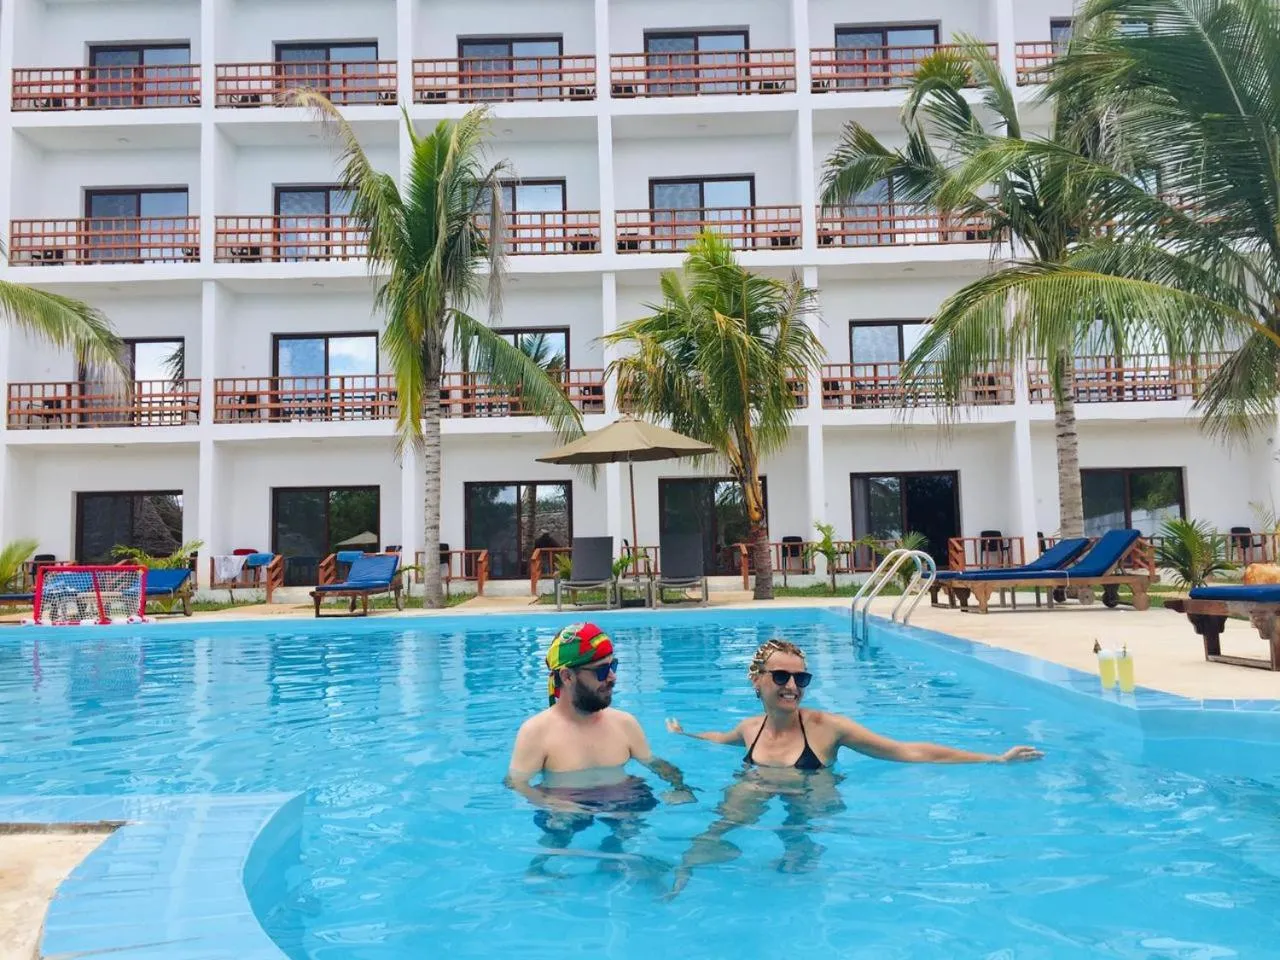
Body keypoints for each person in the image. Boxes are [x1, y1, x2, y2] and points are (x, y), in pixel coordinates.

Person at [662, 638, 1042, 891]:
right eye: (781, 676)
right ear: (756, 681)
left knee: (807, 814)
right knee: (724, 818)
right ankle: (689, 869)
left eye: (801, 677)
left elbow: (908, 751)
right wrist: (685, 734)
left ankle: (800, 860)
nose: (792, 685)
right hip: (761, 782)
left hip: (812, 793)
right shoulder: (749, 729)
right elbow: (720, 738)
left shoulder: (828, 729)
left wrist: (993, 758)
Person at [507, 622, 694, 874]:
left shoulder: (624, 723)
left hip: (622, 800)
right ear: (567, 676)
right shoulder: (537, 732)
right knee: (558, 834)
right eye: (602, 670)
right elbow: (517, 783)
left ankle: (615, 853)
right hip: (566, 804)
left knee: (633, 828)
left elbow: (653, 762)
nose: (613, 677)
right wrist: (551, 803)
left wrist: (680, 787)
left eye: (613, 666)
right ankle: (539, 869)